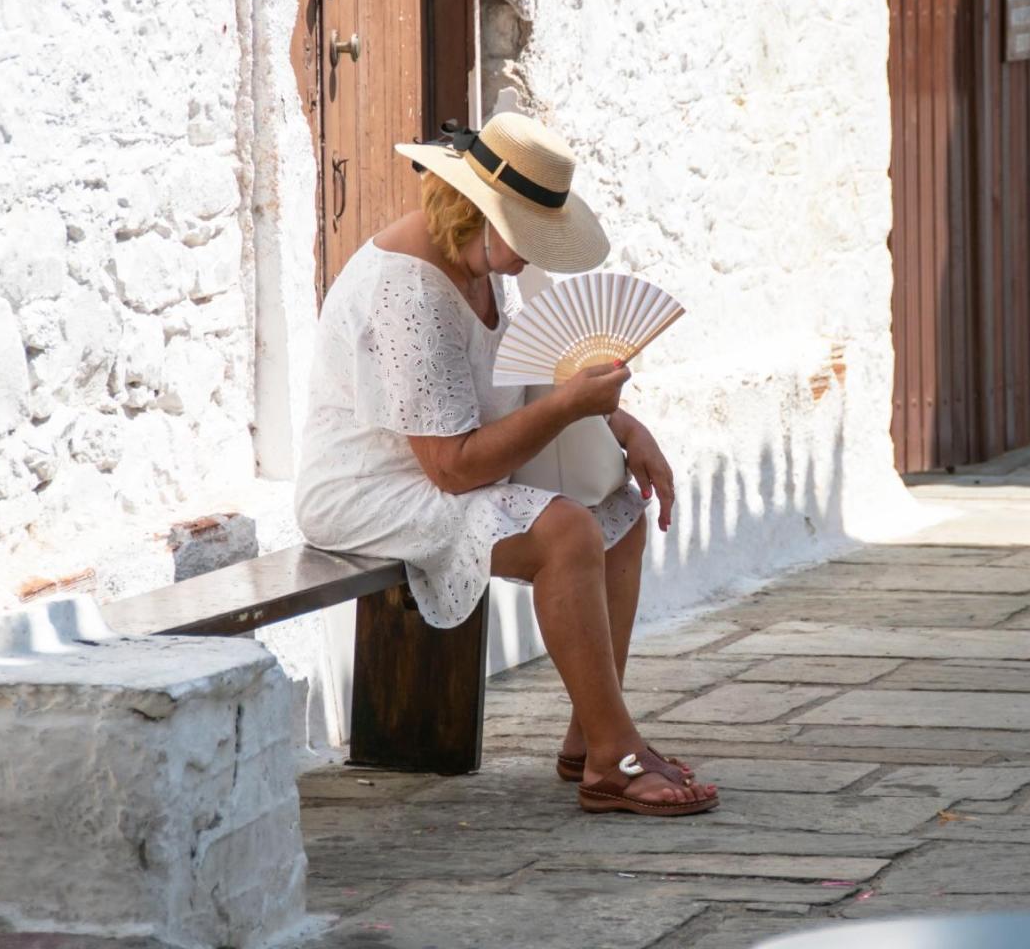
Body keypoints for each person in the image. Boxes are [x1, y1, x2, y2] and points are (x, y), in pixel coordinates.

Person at [295, 112, 718, 816]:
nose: (530, 256)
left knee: (618, 509)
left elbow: (533, 373)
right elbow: (452, 470)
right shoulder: (408, 292)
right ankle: (616, 760)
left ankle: (593, 736)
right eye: (524, 236)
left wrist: (622, 423)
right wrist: (570, 409)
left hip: (445, 462)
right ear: (472, 209)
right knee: (566, 532)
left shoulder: (478, 259)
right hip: (369, 488)